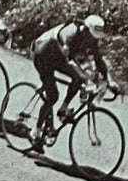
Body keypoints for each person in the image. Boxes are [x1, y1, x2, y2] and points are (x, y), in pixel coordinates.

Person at [30, 14, 116, 150]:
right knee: (53, 96)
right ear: (86, 30)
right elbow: (69, 60)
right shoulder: (71, 34)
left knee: (79, 78)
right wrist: (86, 80)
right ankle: (36, 131)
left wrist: (109, 80)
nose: (93, 40)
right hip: (42, 54)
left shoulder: (90, 38)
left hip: (57, 57)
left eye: (96, 37)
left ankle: (63, 110)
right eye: (92, 36)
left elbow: (99, 61)